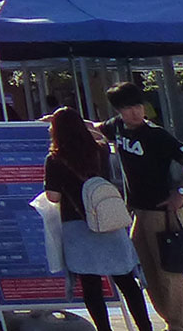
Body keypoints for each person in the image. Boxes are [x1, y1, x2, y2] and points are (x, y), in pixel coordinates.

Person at [99, 81, 183, 331]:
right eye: (128, 108)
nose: (135, 112)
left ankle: (180, 325)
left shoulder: (155, 134)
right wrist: (60, 120)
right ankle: (169, 320)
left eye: (138, 106)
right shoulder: (118, 127)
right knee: (148, 272)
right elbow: (95, 129)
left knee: (168, 270)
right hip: (137, 211)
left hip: (161, 212)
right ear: (118, 111)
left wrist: (181, 192)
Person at [47, 105, 153, 331]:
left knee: (91, 284)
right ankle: (145, 326)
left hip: (78, 225)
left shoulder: (55, 158)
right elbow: (97, 135)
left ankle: (104, 329)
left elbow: (53, 197)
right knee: (126, 280)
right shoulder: (100, 150)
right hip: (110, 222)